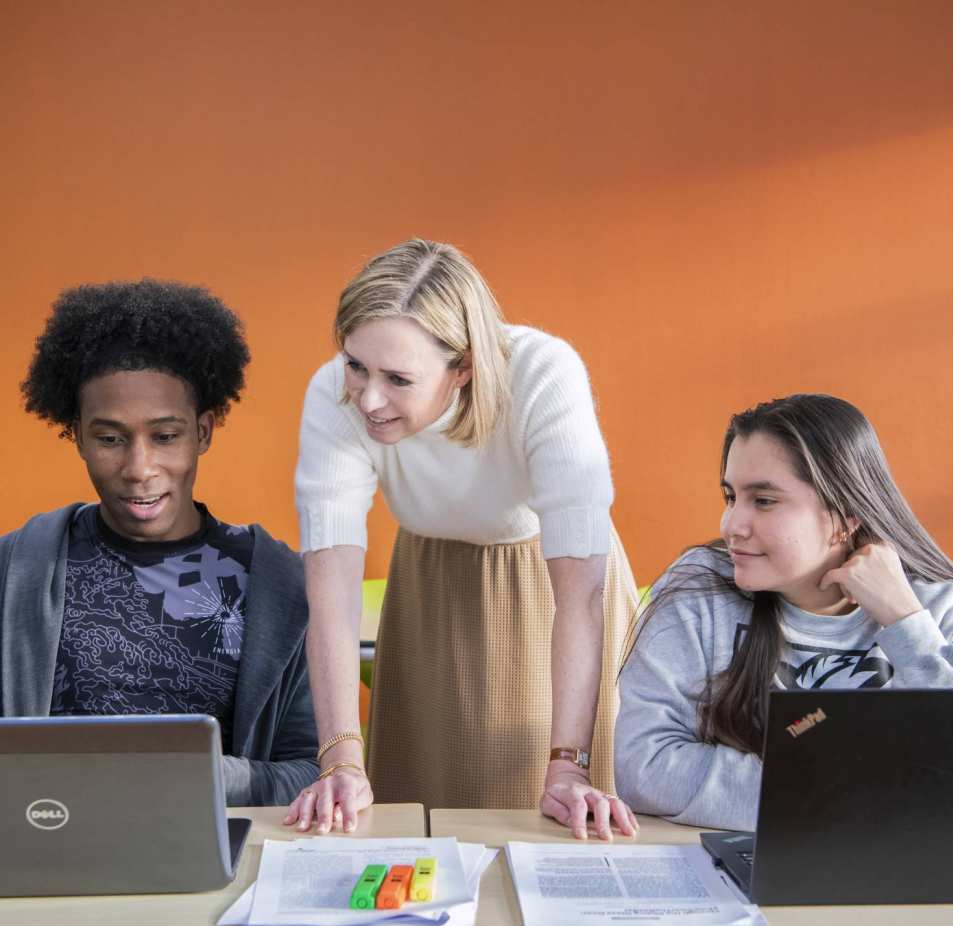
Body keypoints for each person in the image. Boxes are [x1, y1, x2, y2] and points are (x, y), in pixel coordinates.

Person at [286, 238, 639, 839]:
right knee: (421, 821)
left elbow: (580, 595)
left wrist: (568, 765)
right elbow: (331, 592)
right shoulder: (333, 393)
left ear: (466, 366)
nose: (368, 398)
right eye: (356, 365)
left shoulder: (544, 373)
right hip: (428, 586)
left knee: (552, 820)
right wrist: (341, 757)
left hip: (549, 587)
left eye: (398, 378)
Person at [1, 278, 319, 805]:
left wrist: (207, 777)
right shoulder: (18, 569)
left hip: (216, 852)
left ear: (204, 431)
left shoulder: (277, 586)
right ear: (75, 433)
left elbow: (313, 773)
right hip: (52, 844)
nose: (139, 468)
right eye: (109, 438)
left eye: (165, 436)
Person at [615, 393, 953, 831]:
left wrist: (905, 622)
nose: (731, 525)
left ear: (845, 516)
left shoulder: (939, 607)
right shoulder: (699, 589)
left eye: (763, 501)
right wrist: (863, 797)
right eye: (730, 496)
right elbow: (644, 764)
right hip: (730, 867)